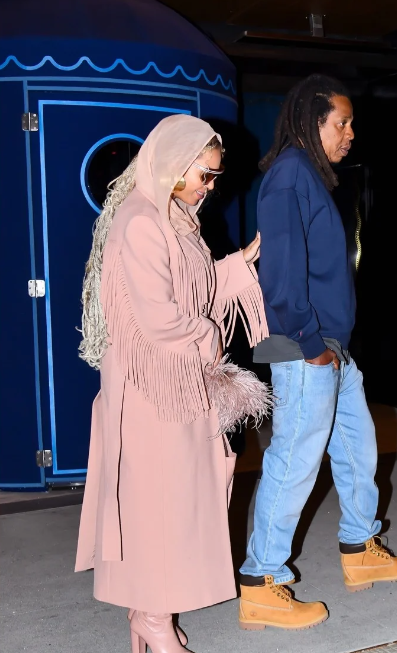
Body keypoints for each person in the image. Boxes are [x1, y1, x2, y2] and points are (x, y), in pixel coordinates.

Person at [75, 114, 268, 653]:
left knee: (177, 502)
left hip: (175, 385)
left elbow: (193, 289)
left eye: (215, 177)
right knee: (161, 504)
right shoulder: (140, 220)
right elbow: (158, 317)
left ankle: (149, 615)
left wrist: (236, 264)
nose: (211, 187)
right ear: (175, 167)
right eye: (205, 175)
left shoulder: (175, 217)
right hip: (151, 390)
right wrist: (209, 337)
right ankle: (152, 617)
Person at [238, 74, 397, 631]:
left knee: (357, 447)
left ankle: (360, 549)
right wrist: (310, 344)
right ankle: (260, 582)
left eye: (350, 123)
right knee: (295, 460)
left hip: (329, 347)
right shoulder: (290, 174)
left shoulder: (310, 176)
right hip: (306, 348)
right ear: (310, 120)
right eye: (341, 122)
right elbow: (281, 273)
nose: (350, 133)